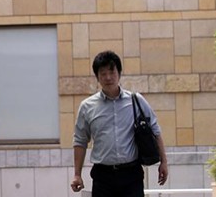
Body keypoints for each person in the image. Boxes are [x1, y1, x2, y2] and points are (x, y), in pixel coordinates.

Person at [71, 50, 168, 196]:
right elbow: (80, 141)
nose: (108, 77)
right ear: (97, 77)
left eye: (112, 72)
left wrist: (164, 162)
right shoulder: (87, 106)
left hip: (131, 175)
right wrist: (77, 174)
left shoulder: (136, 101)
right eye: (103, 73)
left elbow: (155, 130)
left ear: (119, 73)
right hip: (102, 176)